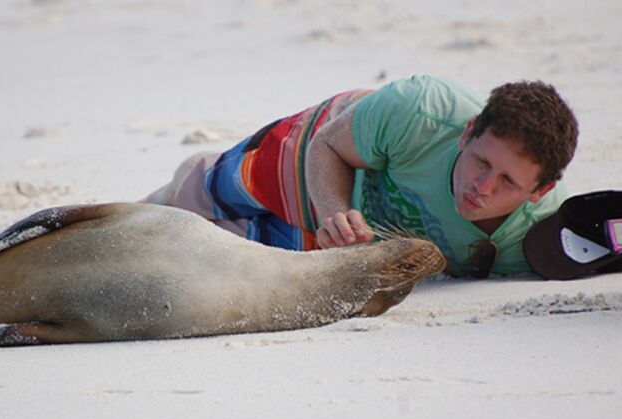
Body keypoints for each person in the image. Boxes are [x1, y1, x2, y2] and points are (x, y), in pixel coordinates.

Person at [141, 75, 578, 277]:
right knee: (203, 195)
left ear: (540, 191)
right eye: (482, 163)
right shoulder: (422, 109)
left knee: (215, 254)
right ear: (467, 134)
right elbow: (326, 145)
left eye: (507, 182)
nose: (482, 188)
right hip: (322, 152)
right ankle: (181, 184)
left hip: (357, 245)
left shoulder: (546, 238)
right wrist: (334, 210)